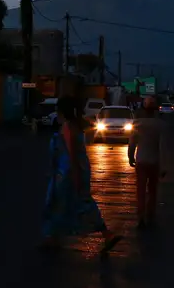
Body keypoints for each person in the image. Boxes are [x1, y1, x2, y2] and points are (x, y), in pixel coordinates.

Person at [41, 96, 123, 252]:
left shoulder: (67, 127)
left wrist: (74, 175)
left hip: (67, 173)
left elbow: (71, 154)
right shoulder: (76, 126)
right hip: (74, 171)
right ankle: (53, 237)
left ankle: (52, 237)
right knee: (79, 203)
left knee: (58, 203)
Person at [128, 97, 166, 229]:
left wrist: (130, 157)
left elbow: (132, 143)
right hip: (154, 161)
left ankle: (141, 217)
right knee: (152, 190)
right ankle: (150, 214)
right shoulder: (160, 125)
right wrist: (163, 166)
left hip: (141, 161)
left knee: (140, 190)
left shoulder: (137, 124)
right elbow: (163, 147)